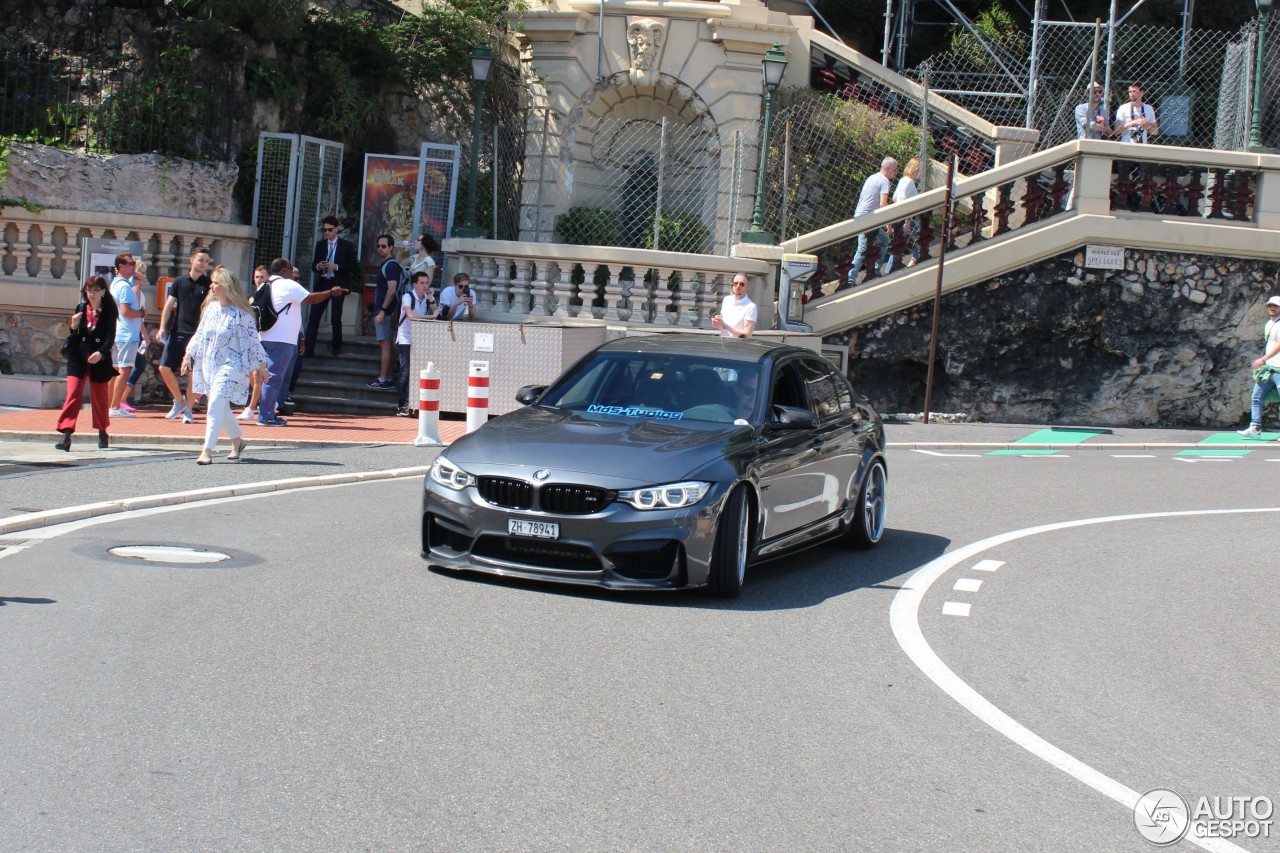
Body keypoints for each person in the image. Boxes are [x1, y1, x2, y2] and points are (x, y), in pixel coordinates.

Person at [182, 267, 269, 464]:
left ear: (226, 287)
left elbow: (253, 342)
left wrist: (262, 366)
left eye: (215, 283)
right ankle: (237, 441)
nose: (211, 286)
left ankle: (207, 450)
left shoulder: (242, 314)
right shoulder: (211, 310)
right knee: (220, 405)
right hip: (211, 364)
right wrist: (188, 355)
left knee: (215, 404)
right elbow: (200, 334)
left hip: (233, 366)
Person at [258, 257, 345, 426]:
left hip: (264, 336)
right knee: (274, 378)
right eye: (290, 269)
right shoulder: (288, 284)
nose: (292, 273)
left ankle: (266, 413)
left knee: (267, 377)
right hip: (281, 339)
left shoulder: (265, 284)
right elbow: (310, 298)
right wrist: (331, 292)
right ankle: (266, 416)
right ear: (284, 270)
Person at [54, 275, 118, 451]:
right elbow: (74, 335)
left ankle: (102, 431)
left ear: (103, 291)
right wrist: (74, 326)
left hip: (99, 358)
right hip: (78, 357)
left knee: (100, 398)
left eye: (96, 290)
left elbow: (110, 338)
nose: (92, 293)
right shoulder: (81, 308)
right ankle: (66, 435)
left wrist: (101, 352)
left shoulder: (109, 311)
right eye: (89, 290)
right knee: (73, 394)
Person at [157, 247, 212, 424]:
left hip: (197, 335)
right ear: (192, 260)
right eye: (201, 260)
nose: (204, 264)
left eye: (206, 261)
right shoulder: (179, 281)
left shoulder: (209, 284)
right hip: (177, 331)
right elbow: (169, 305)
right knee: (164, 367)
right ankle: (178, 401)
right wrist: (162, 327)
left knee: (191, 374)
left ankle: (188, 410)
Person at [305, 215, 355, 356]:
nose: (327, 232)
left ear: (336, 229)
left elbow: (352, 267)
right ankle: (309, 349)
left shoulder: (347, 245)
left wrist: (336, 266)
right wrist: (319, 266)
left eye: (330, 230)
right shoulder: (320, 245)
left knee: (335, 317)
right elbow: (313, 266)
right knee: (314, 316)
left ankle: (337, 345)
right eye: (324, 230)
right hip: (323, 282)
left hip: (337, 283)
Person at [844, 157, 897, 289]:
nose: (895, 173)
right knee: (862, 249)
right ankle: (851, 279)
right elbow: (883, 203)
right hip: (868, 219)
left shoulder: (872, 177)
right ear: (888, 168)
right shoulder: (885, 181)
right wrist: (888, 224)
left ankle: (874, 270)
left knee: (883, 241)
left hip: (861, 216)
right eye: (895, 170)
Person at [395, 270, 440, 416]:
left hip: (420, 339)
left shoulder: (427, 298)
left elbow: (437, 312)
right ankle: (401, 404)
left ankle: (413, 402)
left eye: (427, 283)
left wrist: (432, 298)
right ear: (414, 284)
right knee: (405, 371)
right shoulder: (408, 296)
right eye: (421, 283)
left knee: (417, 371)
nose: (425, 286)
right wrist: (431, 316)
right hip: (405, 338)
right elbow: (411, 316)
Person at [1236, 296, 1280, 439]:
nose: (1272, 308)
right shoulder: (1269, 324)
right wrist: (1263, 363)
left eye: (1275, 306)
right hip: (1269, 369)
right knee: (1256, 397)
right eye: (1270, 306)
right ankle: (1255, 427)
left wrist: (1262, 359)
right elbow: (1270, 345)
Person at [107, 253, 144, 418]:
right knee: (125, 368)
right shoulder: (124, 287)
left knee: (116, 370)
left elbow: (142, 277)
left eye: (134, 263)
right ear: (120, 267)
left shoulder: (117, 283)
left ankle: (110, 405)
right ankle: (115, 406)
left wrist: (132, 271)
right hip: (127, 334)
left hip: (119, 333)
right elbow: (126, 311)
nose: (133, 266)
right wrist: (141, 313)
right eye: (129, 263)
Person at [369, 234, 403, 390]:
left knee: (385, 345)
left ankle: (384, 378)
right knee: (385, 344)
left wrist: (382, 310)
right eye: (378, 246)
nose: (380, 249)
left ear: (391, 247)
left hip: (387, 312)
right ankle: (387, 378)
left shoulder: (390, 265)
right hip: (386, 311)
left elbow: (391, 289)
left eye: (383, 246)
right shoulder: (389, 265)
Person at [238, 265, 270, 421]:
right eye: (257, 277)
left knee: (258, 373)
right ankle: (268, 400)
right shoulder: (251, 296)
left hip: (263, 339)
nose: (259, 280)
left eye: (262, 277)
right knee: (252, 374)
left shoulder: (268, 295)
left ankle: (251, 408)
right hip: (250, 339)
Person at [121, 258, 153, 413]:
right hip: (133, 332)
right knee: (136, 364)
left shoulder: (132, 288)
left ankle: (120, 398)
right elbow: (136, 314)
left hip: (132, 331)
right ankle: (121, 398)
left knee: (131, 364)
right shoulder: (135, 289)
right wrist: (144, 333)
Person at [882, 157, 922, 274]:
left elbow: (895, 198)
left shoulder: (902, 180)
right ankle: (912, 263)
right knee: (920, 238)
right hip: (906, 218)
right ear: (915, 169)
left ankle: (890, 270)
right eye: (920, 169)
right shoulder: (909, 182)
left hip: (900, 217)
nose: (920, 172)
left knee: (898, 244)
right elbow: (904, 199)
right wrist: (907, 220)